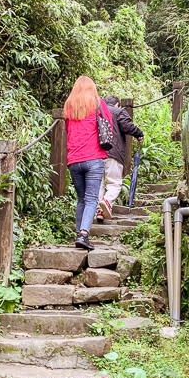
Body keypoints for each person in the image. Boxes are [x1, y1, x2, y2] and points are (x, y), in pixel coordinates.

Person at [64, 76, 113, 251]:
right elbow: (109, 126)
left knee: (81, 199)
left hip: (74, 160)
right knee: (92, 199)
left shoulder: (69, 105)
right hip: (93, 157)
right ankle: (84, 234)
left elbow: (68, 129)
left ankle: (79, 234)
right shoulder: (97, 103)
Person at [97, 95, 144, 221]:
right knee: (114, 183)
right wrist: (139, 134)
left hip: (96, 154)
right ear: (117, 104)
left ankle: (99, 211)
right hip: (113, 152)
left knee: (99, 184)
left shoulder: (96, 112)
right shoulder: (118, 112)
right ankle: (106, 202)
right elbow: (127, 126)